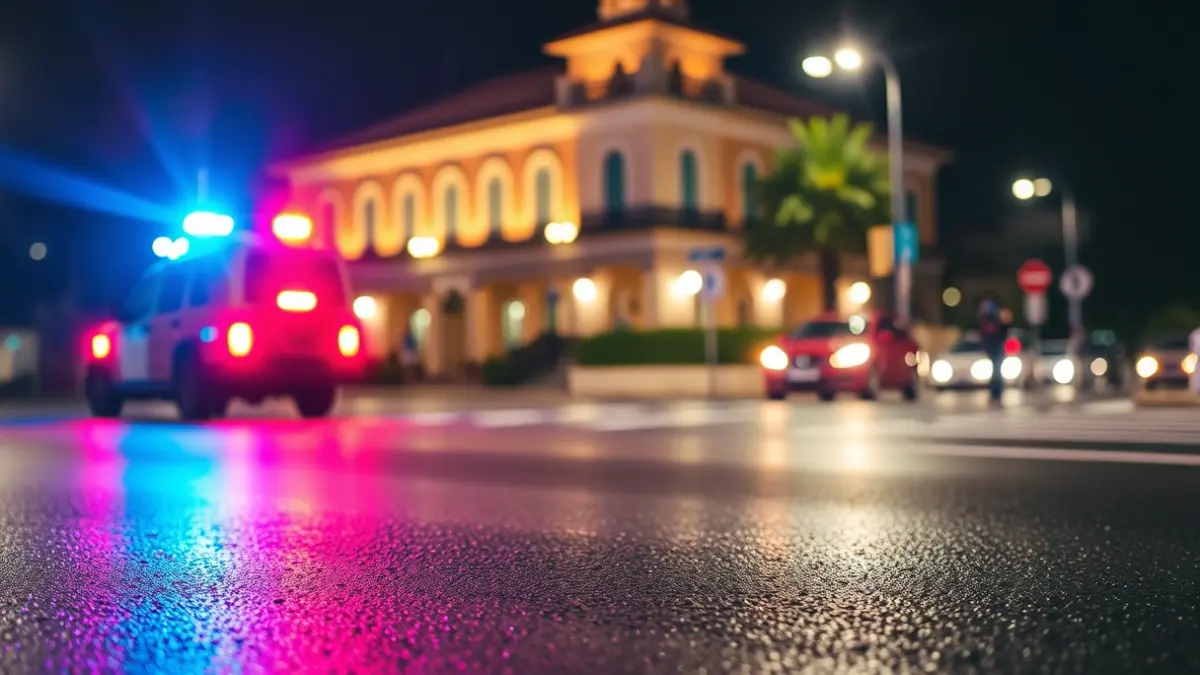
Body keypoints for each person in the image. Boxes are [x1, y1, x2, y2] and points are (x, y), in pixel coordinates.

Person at [978, 297, 1009, 405]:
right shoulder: (986, 322)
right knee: (995, 372)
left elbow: (1003, 333)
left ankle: (996, 393)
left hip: (996, 349)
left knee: (997, 372)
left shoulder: (995, 321)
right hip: (993, 350)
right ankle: (995, 393)